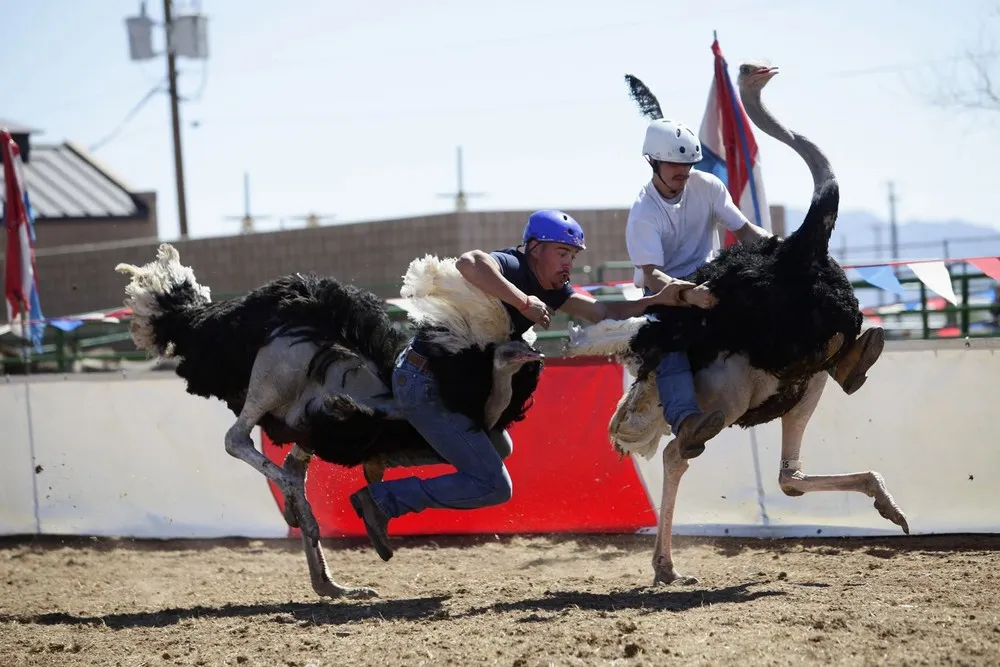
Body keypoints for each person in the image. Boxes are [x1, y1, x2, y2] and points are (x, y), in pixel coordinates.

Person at [349, 210, 687, 560]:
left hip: (438, 383)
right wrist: (523, 301)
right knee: (494, 486)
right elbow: (470, 262)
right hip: (423, 383)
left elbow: (600, 310)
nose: (568, 263)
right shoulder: (512, 264)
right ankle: (381, 500)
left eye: (572, 256)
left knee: (499, 448)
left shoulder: (552, 288)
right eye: (562, 253)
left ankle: (388, 455)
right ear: (535, 248)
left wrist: (654, 301)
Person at [624, 118, 884, 458]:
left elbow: (745, 230)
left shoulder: (709, 186)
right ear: (652, 162)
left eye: (688, 164)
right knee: (669, 343)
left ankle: (841, 361)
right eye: (675, 164)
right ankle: (687, 423)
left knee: (774, 291)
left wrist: (784, 252)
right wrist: (686, 294)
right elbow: (652, 274)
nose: (683, 171)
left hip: (709, 276)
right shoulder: (644, 213)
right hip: (664, 293)